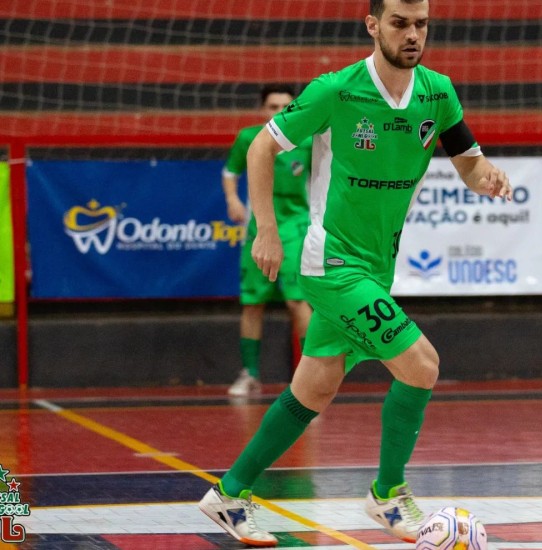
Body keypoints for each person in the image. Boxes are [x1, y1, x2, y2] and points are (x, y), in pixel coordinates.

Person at [198, 0, 512, 545]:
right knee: (422, 365)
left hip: (376, 264)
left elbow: (468, 159)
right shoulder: (336, 90)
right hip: (331, 261)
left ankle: (228, 494)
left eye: (421, 24)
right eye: (400, 23)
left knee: (313, 390)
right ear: (373, 26)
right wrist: (266, 230)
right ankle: (388, 496)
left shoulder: (438, 92)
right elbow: (260, 149)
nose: (412, 34)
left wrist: (485, 176)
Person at [222, 84, 313, 397]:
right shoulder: (250, 138)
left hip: (295, 227)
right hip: (259, 227)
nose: (279, 112)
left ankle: (308, 382)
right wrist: (233, 199)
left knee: (297, 301)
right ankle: (250, 374)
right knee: (252, 302)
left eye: (285, 106)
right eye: (272, 107)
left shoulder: (308, 139)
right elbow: (230, 171)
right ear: (263, 110)